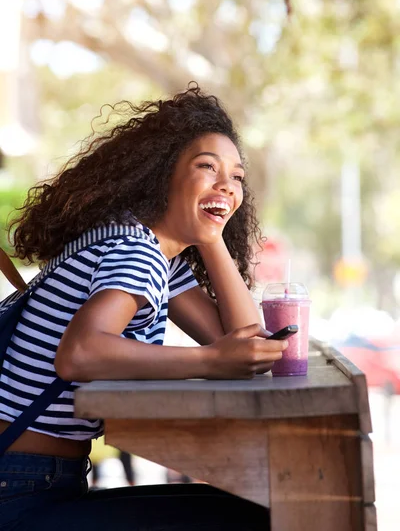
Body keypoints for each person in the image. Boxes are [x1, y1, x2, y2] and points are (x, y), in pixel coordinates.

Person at [0, 84, 288, 530]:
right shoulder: (135, 250)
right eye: (207, 167)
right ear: (162, 175)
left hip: (35, 479)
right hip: (20, 489)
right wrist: (212, 360)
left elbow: (243, 345)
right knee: (254, 518)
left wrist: (211, 237)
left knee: (246, 511)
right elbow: (80, 355)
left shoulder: (153, 252)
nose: (226, 186)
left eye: (236, 178)